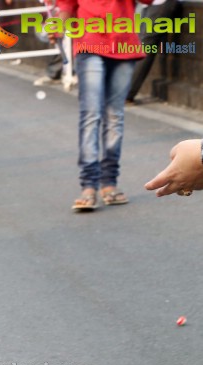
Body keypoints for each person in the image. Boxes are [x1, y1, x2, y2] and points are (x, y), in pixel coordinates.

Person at [57, 0, 148, 212]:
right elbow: (66, 5)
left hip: (123, 45)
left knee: (115, 116)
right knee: (91, 114)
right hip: (90, 42)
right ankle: (88, 186)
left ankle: (109, 184)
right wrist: (58, 25)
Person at [125, 0, 180, 105]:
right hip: (150, 4)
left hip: (160, 3)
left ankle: (127, 93)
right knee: (142, 46)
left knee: (145, 48)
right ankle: (125, 93)